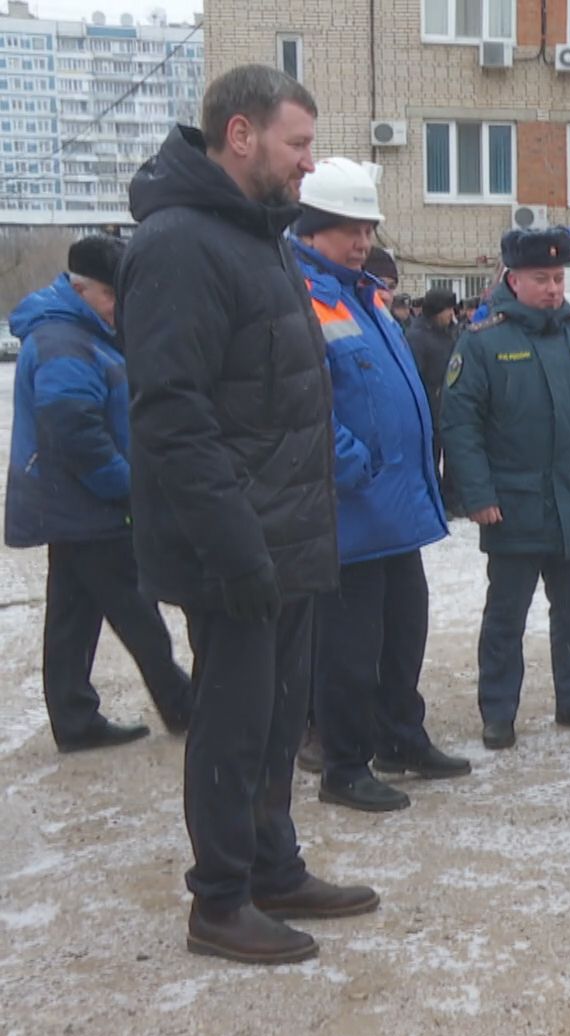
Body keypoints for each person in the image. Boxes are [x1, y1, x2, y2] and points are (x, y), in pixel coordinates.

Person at [121, 64, 377, 965]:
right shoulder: (181, 244)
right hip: (235, 547)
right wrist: (236, 551)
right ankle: (219, 900)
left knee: (275, 720)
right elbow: (173, 419)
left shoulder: (256, 236)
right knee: (231, 725)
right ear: (241, 135)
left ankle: (273, 865)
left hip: (289, 536)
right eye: (298, 145)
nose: (310, 165)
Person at [291, 158, 464, 813]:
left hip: (395, 507)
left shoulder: (363, 296)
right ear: (310, 230)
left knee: (403, 634)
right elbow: (303, 405)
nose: (361, 241)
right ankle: (343, 763)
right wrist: (352, 464)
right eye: (346, 229)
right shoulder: (300, 297)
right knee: (348, 649)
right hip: (350, 511)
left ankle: (400, 737)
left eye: (366, 227)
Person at [440, 226, 570, 750]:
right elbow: (461, 425)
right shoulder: (483, 344)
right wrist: (478, 494)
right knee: (506, 617)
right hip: (513, 506)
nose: (553, 288)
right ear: (512, 278)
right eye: (540, 278)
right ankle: (498, 712)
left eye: (559, 277)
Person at [5, 235, 193, 752]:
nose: (120, 307)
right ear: (80, 287)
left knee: (72, 615)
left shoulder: (80, 330)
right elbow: (74, 430)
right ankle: (181, 704)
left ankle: (74, 718)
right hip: (88, 505)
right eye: (113, 295)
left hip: (69, 506)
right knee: (137, 610)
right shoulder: (67, 341)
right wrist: (126, 486)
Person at [406, 286, 461, 509]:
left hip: (448, 407)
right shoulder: (417, 337)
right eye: (448, 310)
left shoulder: (448, 333)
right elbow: (415, 374)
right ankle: (434, 500)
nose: (452, 316)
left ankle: (451, 499)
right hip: (429, 407)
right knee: (431, 457)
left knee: (453, 458)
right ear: (436, 311)